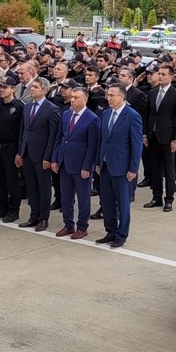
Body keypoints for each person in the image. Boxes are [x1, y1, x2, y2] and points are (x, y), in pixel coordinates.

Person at [95, 85, 143, 248]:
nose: (109, 98)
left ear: (122, 97)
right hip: (106, 165)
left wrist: (133, 168)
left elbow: (136, 145)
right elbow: (102, 140)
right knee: (107, 201)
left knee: (122, 203)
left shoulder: (132, 116)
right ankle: (111, 231)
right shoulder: (106, 114)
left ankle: (121, 234)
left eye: (112, 95)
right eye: (108, 95)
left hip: (122, 167)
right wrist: (98, 162)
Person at [52, 87, 100, 240]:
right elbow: (59, 138)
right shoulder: (66, 115)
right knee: (66, 197)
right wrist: (55, 158)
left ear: (84, 100)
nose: (72, 100)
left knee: (83, 197)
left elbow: (92, 146)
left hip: (81, 166)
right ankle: (68, 224)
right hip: (65, 162)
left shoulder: (92, 119)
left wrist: (87, 167)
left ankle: (82, 226)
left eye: (76, 97)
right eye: (72, 97)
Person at [18, 77, 60, 232]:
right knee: (31, 186)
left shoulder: (51, 109)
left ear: (44, 90)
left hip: (42, 155)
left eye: (35, 87)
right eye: (32, 87)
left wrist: (48, 157)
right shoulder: (27, 107)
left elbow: (53, 135)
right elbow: (23, 131)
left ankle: (43, 218)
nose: (32, 89)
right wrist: (20, 151)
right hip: (28, 153)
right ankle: (33, 215)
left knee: (43, 187)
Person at [143, 65, 176, 212]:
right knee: (155, 168)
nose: (160, 77)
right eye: (159, 74)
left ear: (171, 77)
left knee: (169, 170)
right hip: (153, 136)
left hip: (167, 137)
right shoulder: (152, 93)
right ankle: (156, 197)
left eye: (164, 74)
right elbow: (147, 115)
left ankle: (169, 199)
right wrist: (145, 134)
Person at [0, 75, 24, 223]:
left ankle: (14, 210)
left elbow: (22, 131)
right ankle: (2, 207)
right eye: (0, 87)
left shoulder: (19, 107)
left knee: (12, 181)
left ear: (13, 89)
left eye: (5, 87)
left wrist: (19, 152)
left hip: (11, 149)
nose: (1, 90)